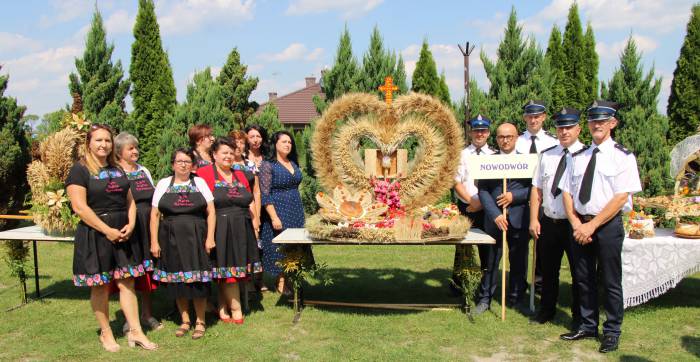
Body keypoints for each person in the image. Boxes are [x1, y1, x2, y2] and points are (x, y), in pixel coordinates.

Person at [66, 124, 157, 352]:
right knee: (100, 286)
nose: (103, 145)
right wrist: (106, 230)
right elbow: (79, 206)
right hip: (96, 232)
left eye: (107, 140)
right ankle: (106, 333)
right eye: (98, 140)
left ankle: (136, 331)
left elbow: (130, 200)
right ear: (89, 142)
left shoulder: (118, 169)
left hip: (124, 232)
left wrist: (132, 223)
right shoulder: (80, 170)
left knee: (127, 282)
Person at [560, 101, 641, 353]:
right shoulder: (578, 156)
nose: (597, 125)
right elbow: (566, 191)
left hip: (605, 226)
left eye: (602, 121)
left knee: (609, 280)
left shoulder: (622, 157)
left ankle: (612, 331)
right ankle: (587, 324)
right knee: (583, 278)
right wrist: (575, 222)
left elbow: (620, 197)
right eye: (593, 120)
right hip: (580, 224)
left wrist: (592, 225)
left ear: (612, 123)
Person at [150, 148, 216, 340]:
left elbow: (211, 211)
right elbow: (154, 215)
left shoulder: (200, 182)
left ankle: (201, 321)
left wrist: (210, 237)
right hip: (170, 238)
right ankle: (185, 320)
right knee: (177, 280)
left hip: (196, 236)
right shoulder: (163, 183)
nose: (183, 164)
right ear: (173, 164)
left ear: (192, 165)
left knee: (198, 281)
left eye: (187, 161)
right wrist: (154, 241)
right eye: (180, 161)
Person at [197, 137, 261, 324]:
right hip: (220, 226)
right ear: (214, 155)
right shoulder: (203, 174)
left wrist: (255, 221)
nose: (228, 156)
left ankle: (222, 306)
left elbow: (249, 200)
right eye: (224, 152)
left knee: (232, 268)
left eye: (231, 153)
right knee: (225, 268)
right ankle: (236, 308)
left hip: (242, 225)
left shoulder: (240, 175)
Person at [528, 108, 584, 327]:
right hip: (549, 222)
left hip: (575, 224)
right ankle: (546, 310)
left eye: (569, 127)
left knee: (579, 273)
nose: (564, 132)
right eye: (560, 127)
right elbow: (536, 189)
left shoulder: (587, 155)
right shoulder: (547, 155)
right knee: (548, 272)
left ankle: (579, 316)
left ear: (578, 129)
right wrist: (534, 219)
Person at [475, 123, 532, 315]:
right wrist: (496, 214)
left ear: (516, 138)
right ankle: (485, 299)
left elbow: (533, 189)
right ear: (496, 139)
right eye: (501, 137)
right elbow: (482, 190)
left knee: (518, 262)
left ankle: (516, 298)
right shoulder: (487, 161)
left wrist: (514, 197)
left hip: (518, 218)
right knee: (490, 262)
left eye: (509, 136)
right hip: (494, 220)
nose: (505, 140)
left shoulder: (527, 161)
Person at [113, 132, 163, 333]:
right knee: (128, 273)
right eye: (130, 148)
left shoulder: (144, 170)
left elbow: (154, 199)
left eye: (136, 147)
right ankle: (129, 318)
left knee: (147, 272)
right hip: (128, 225)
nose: (135, 151)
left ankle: (147, 313)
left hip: (147, 224)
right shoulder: (115, 172)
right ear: (119, 152)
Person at [259, 130, 312, 294]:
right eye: (284, 142)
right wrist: (274, 217)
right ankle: (281, 282)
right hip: (279, 210)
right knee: (281, 247)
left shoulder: (293, 162)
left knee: (295, 245)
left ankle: (291, 278)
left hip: (295, 209)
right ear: (275, 144)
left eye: (290, 142)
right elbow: (265, 194)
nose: (288, 144)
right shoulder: (268, 165)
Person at [516, 99, 558, 293]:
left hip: (542, 199)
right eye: (530, 116)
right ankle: (519, 283)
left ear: (544, 117)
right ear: (525, 118)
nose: (533, 120)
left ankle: (540, 284)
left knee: (543, 245)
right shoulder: (517, 141)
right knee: (520, 245)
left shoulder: (553, 142)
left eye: (537, 116)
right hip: (519, 198)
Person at [452, 115, 495, 291]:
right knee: (463, 247)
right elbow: (456, 182)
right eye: (476, 131)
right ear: (470, 133)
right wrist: (472, 201)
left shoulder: (495, 155)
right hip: (466, 206)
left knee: (487, 248)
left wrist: (482, 203)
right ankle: (459, 284)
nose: (479, 134)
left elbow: (495, 185)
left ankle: (486, 285)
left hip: (487, 209)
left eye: (483, 131)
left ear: (488, 133)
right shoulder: (461, 154)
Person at [244, 124, 268, 292]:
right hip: (250, 205)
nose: (255, 139)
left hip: (269, 204)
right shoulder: (242, 158)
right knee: (252, 242)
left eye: (258, 136)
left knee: (264, 243)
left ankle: (260, 278)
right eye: (252, 136)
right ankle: (249, 279)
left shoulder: (268, 156)